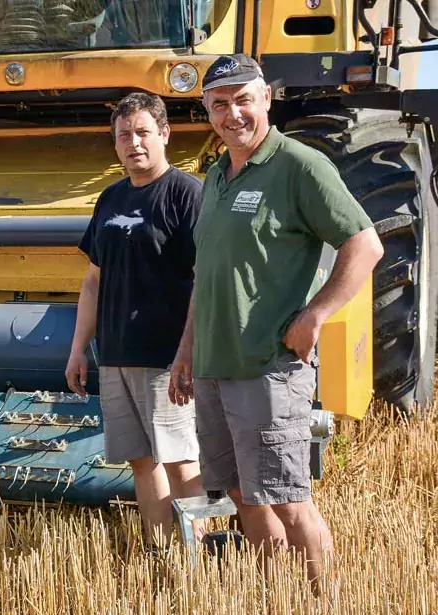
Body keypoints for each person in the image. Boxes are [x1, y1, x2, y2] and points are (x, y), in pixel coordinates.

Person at [168, 54, 383, 590]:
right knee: (244, 497)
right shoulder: (216, 176)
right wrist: (186, 352)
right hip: (216, 369)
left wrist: (316, 314)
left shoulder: (299, 165)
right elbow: (208, 276)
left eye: (244, 99)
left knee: (289, 500)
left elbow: (365, 244)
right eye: (220, 104)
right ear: (207, 112)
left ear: (267, 99)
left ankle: (322, 598)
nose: (232, 114)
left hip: (268, 367)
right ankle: (276, 594)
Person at [66, 92, 207, 549]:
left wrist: (188, 351)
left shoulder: (187, 195)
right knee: (142, 462)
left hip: (166, 356)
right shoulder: (110, 198)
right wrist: (78, 349)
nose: (134, 143)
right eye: (124, 135)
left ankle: (198, 553)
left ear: (165, 134)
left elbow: (206, 280)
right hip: (116, 355)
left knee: (181, 460)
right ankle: (161, 551)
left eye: (143, 132)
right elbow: (93, 281)